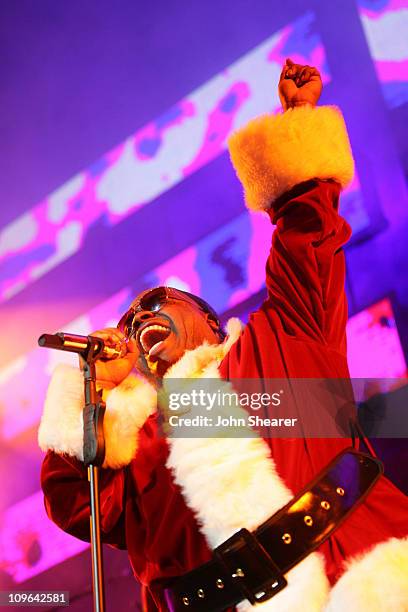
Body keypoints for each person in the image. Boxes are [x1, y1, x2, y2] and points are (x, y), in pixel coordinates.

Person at [39, 60, 408, 611]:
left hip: (353, 581)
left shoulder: (282, 341)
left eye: (157, 303)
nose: (140, 319)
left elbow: (307, 242)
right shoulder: (136, 447)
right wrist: (89, 395)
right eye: (132, 321)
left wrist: (299, 122)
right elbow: (75, 503)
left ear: (210, 322)